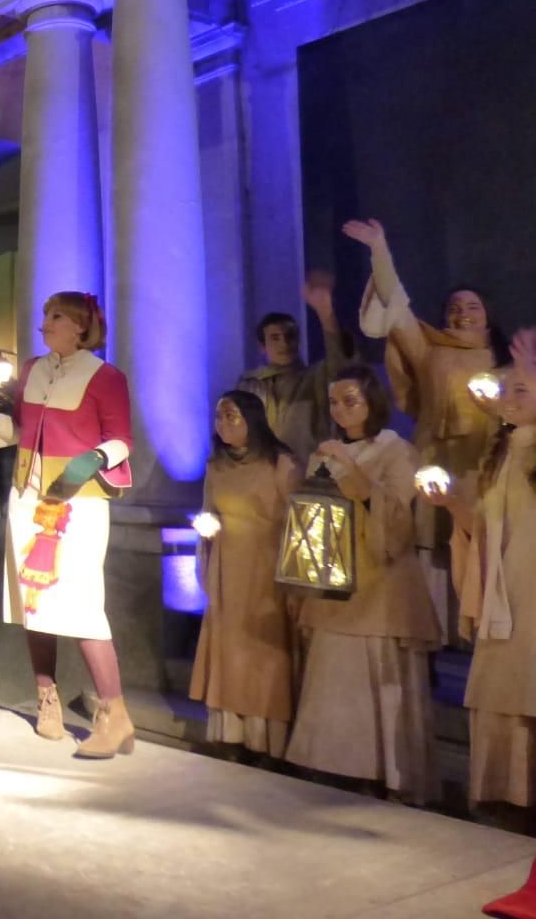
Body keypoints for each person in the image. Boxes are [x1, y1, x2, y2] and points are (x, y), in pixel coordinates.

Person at [284, 366, 440, 804]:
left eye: (350, 400)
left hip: (382, 587)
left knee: (379, 686)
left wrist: (351, 468)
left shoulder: (396, 451)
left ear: (372, 402)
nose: (340, 409)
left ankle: (385, 775)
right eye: (334, 401)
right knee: (335, 681)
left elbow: (397, 522)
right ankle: (334, 768)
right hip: (337, 588)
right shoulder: (322, 456)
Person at [0, 292, 136, 759]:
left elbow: (122, 441)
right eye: (44, 315)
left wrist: (94, 458)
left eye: (55, 316)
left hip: (79, 503)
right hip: (28, 498)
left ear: (80, 325)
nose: (44, 324)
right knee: (35, 602)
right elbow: (19, 430)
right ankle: (46, 700)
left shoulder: (106, 377)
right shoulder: (32, 370)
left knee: (81, 605)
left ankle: (115, 715)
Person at [345, 218, 504, 628]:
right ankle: (436, 639)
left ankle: (482, 635)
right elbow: (395, 306)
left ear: (488, 316)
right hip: (435, 459)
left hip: (484, 465)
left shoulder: (505, 364)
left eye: (472, 306)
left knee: (482, 544)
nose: (462, 313)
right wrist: (379, 248)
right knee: (432, 548)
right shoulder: (429, 352)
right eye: (454, 307)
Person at [427, 331, 536, 809]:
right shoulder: (502, 453)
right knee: (500, 690)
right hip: (504, 595)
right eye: (507, 388)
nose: (508, 399)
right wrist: (450, 502)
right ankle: (503, 797)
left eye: (522, 391)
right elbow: (485, 529)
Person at [188, 391, 300, 759]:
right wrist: (208, 529)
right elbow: (208, 509)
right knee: (230, 649)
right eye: (219, 417)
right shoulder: (217, 466)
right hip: (227, 567)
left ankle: (265, 739)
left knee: (263, 651)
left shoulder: (279, 463)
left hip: (267, 568)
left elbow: (298, 522)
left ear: (252, 418)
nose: (223, 424)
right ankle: (230, 734)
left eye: (232, 416)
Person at [235, 277, 356, 464]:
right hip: (262, 475)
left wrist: (325, 313)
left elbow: (340, 365)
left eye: (290, 336)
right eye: (275, 338)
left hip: (310, 474)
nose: (284, 343)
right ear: (262, 346)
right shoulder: (249, 385)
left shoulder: (315, 378)